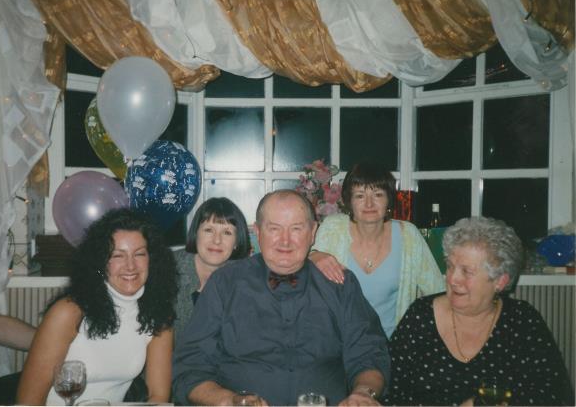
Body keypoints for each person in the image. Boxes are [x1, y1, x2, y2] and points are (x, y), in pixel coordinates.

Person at [173, 189, 390, 406]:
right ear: (257, 232)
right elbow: (190, 366)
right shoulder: (224, 284)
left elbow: (370, 353)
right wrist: (227, 400)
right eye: (274, 229)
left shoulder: (340, 285)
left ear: (313, 232)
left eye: (296, 229)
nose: (285, 241)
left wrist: (363, 393)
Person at [384, 216, 575, 406]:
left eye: (467, 271)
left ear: (500, 281)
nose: (452, 279)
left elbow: (556, 396)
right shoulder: (420, 315)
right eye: (450, 266)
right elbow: (390, 390)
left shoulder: (522, 321)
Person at [16, 208, 176, 405]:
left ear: (153, 260)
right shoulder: (68, 313)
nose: (130, 266)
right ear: (101, 262)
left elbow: (158, 398)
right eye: (118, 255)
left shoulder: (157, 317)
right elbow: (27, 402)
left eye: (140, 254)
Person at [310, 161, 444, 337]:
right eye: (359, 196)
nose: (369, 204)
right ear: (348, 200)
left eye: (378, 195)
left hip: (394, 347)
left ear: (388, 199)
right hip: (341, 345)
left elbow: (436, 291)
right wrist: (314, 255)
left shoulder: (408, 235)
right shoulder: (333, 228)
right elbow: (302, 273)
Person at [173, 197, 250, 331]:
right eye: (209, 230)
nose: (217, 240)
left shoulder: (246, 279)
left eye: (227, 232)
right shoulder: (168, 268)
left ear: (236, 242)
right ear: (196, 233)